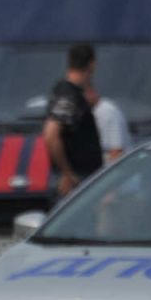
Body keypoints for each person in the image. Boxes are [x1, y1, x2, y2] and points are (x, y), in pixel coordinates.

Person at [43, 44, 104, 195]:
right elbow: (51, 135)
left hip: (82, 176)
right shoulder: (68, 95)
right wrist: (67, 172)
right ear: (92, 64)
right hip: (76, 179)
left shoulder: (72, 93)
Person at [86, 84, 131, 164]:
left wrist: (103, 175)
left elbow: (117, 151)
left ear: (91, 92)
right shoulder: (91, 111)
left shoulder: (108, 111)